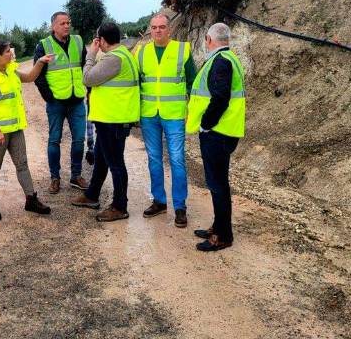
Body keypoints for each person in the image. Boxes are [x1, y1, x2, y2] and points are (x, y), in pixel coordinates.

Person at [0, 39, 54, 220]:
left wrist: (40, 62)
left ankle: (31, 199)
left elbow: (30, 77)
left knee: (22, 164)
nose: (11, 54)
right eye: (7, 52)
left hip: (15, 128)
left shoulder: (11, 69)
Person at [71, 22, 140, 222]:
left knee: (116, 164)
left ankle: (120, 206)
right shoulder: (124, 54)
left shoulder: (114, 58)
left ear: (101, 40)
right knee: (101, 160)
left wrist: (90, 55)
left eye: (97, 39)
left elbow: (87, 78)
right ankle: (92, 195)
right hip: (109, 119)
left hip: (114, 120)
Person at [187, 23, 246, 251]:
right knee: (217, 183)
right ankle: (218, 226)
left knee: (218, 184)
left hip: (218, 132)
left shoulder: (220, 61)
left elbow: (220, 98)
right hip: (223, 131)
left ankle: (223, 236)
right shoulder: (228, 58)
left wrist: (205, 124)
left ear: (209, 39)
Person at [135, 13, 196, 228]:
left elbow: (193, 83)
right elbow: (137, 84)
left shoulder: (182, 50)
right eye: (154, 27)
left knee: (177, 159)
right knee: (154, 159)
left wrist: (194, 111)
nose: (158, 31)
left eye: (162, 27)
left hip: (174, 114)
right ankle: (159, 201)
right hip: (149, 114)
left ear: (169, 29)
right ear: (150, 30)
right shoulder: (141, 52)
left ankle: (180, 206)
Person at [33, 12, 89, 194]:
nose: (66, 26)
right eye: (62, 23)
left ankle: (76, 176)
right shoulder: (44, 45)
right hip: (56, 102)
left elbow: (85, 67)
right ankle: (55, 178)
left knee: (79, 140)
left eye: (68, 22)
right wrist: (49, 97)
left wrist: (87, 90)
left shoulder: (78, 41)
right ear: (53, 26)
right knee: (54, 140)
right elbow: (38, 75)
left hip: (77, 100)